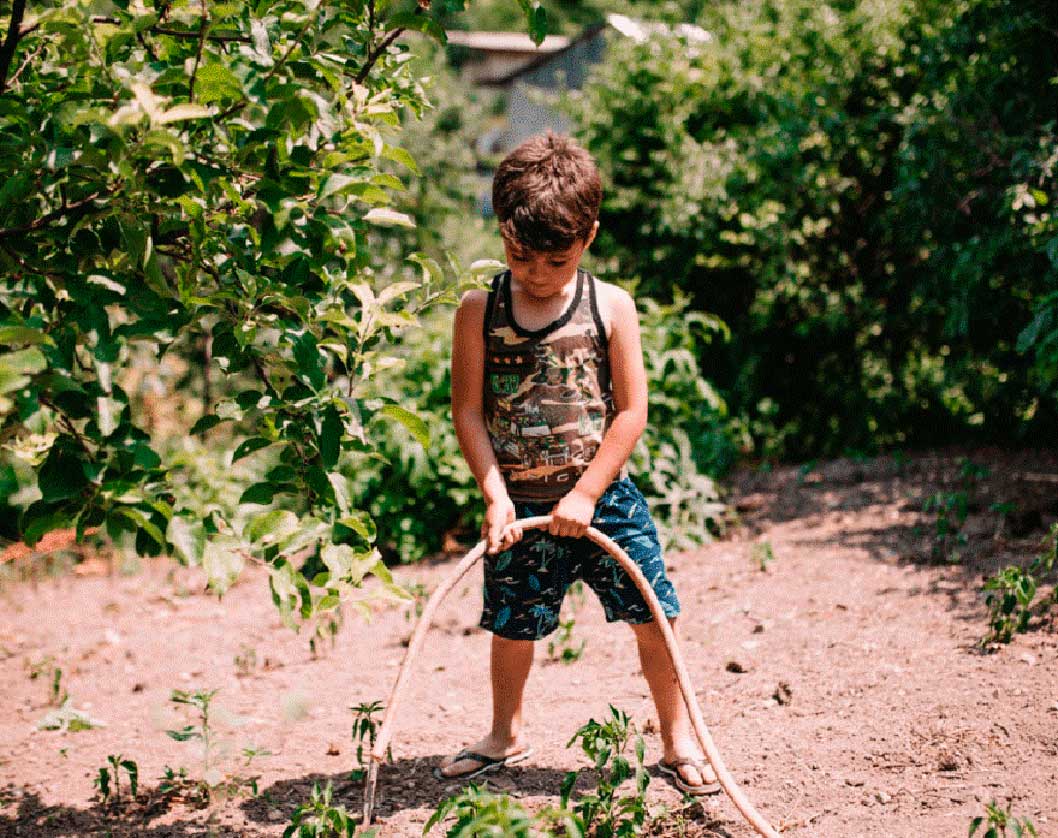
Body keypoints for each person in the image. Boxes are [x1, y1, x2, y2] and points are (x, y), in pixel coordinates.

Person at [441, 132, 719, 796]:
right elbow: (468, 411)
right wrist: (494, 494)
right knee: (512, 626)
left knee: (654, 616)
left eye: (555, 259)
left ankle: (677, 740)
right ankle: (504, 732)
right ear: (502, 234)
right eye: (519, 255)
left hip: (605, 500)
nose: (536, 273)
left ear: (588, 235)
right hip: (521, 506)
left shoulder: (610, 306)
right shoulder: (480, 311)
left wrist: (588, 494)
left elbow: (630, 413)